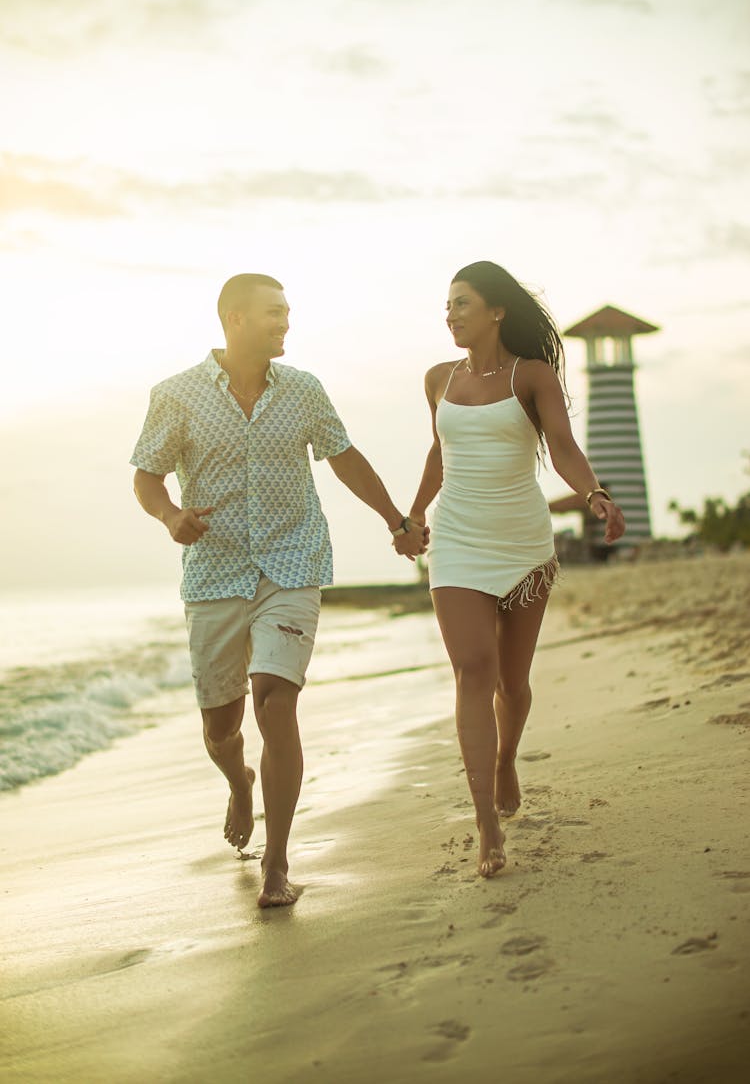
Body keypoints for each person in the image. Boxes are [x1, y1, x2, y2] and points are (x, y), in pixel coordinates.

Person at [131, 273, 427, 909]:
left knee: (274, 699)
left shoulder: (303, 391)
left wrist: (396, 520)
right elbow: (147, 477)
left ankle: (278, 862)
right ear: (235, 319)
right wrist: (171, 516)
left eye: (288, 312)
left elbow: (344, 457)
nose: (285, 323)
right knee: (221, 726)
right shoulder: (175, 396)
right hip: (214, 571)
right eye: (273, 313)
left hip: (292, 564)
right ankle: (239, 782)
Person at [407, 261, 625, 878]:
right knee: (471, 671)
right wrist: (413, 515)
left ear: (497, 311)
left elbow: (561, 444)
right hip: (456, 543)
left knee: (513, 683)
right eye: (447, 304)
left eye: (462, 303)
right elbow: (438, 452)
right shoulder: (437, 379)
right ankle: (486, 823)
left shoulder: (532, 376)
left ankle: (506, 759)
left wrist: (594, 495)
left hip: (523, 543)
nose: (450, 313)